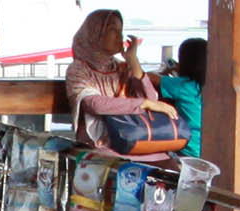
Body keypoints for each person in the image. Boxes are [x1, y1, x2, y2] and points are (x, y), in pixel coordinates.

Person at [65, 9, 165, 152]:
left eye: (121, 30)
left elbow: (151, 98)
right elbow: (95, 104)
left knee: (168, 164)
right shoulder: (78, 69)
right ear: (95, 33)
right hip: (100, 145)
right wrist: (144, 104)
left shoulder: (121, 67)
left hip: (130, 138)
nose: (120, 35)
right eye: (113, 30)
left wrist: (133, 61)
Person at [155, 38, 204, 159]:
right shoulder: (208, 85)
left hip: (188, 149)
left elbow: (148, 77)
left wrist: (166, 71)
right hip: (207, 148)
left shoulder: (183, 85)